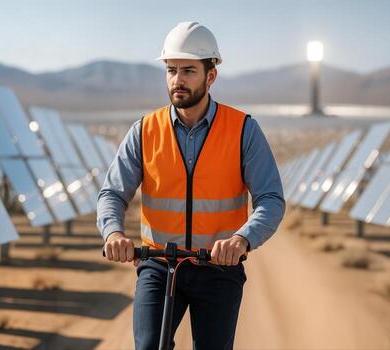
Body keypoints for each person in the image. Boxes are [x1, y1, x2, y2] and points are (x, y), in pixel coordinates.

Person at [97, 21, 285, 350]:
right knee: (149, 346)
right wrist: (112, 232)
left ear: (211, 76)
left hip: (218, 268)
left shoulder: (243, 130)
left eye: (188, 71)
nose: (177, 80)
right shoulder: (144, 130)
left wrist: (242, 239)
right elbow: (112, 192)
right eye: (171, 70)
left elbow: (271, 199)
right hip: (157, 264)